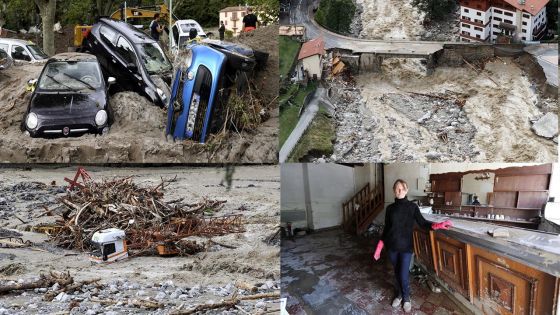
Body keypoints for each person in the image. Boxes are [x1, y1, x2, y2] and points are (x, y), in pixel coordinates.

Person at [373, 179, 453, 313]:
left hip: (406, 248)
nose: (399, 191)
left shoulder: (412, 207)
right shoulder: (390, 209)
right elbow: (387, 229)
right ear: (394, 190)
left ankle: (406, 298)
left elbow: (423, 223)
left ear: (406, 190)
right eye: (397, 189)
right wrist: (380, 246)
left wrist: (437, 225)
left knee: (403, 275)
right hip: (392, 248)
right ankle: (399, 294)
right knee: (397, 273)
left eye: (401, 189)